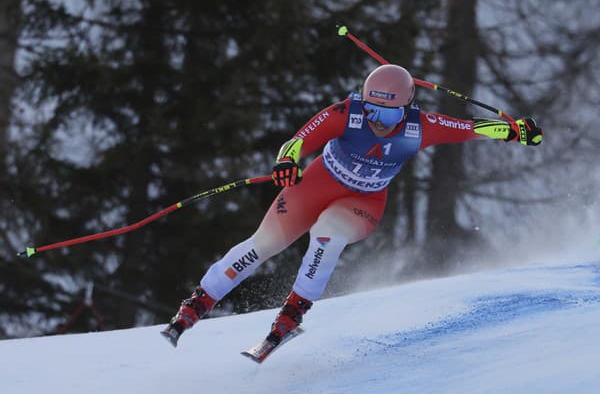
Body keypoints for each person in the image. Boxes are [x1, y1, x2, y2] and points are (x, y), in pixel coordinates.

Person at [161, 64, 543, 347]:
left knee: (326, 235)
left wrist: (514, 131)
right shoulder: (348, 113)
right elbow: (298, 141)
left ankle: (290, 316)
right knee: (262, 244)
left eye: (389, 114)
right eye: (373, 111)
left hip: (362, 203)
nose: (378, 121)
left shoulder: (419, 127)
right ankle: (195, 305)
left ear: (407, 108)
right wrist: (285, 164)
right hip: (314, 186)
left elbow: (471, 128)